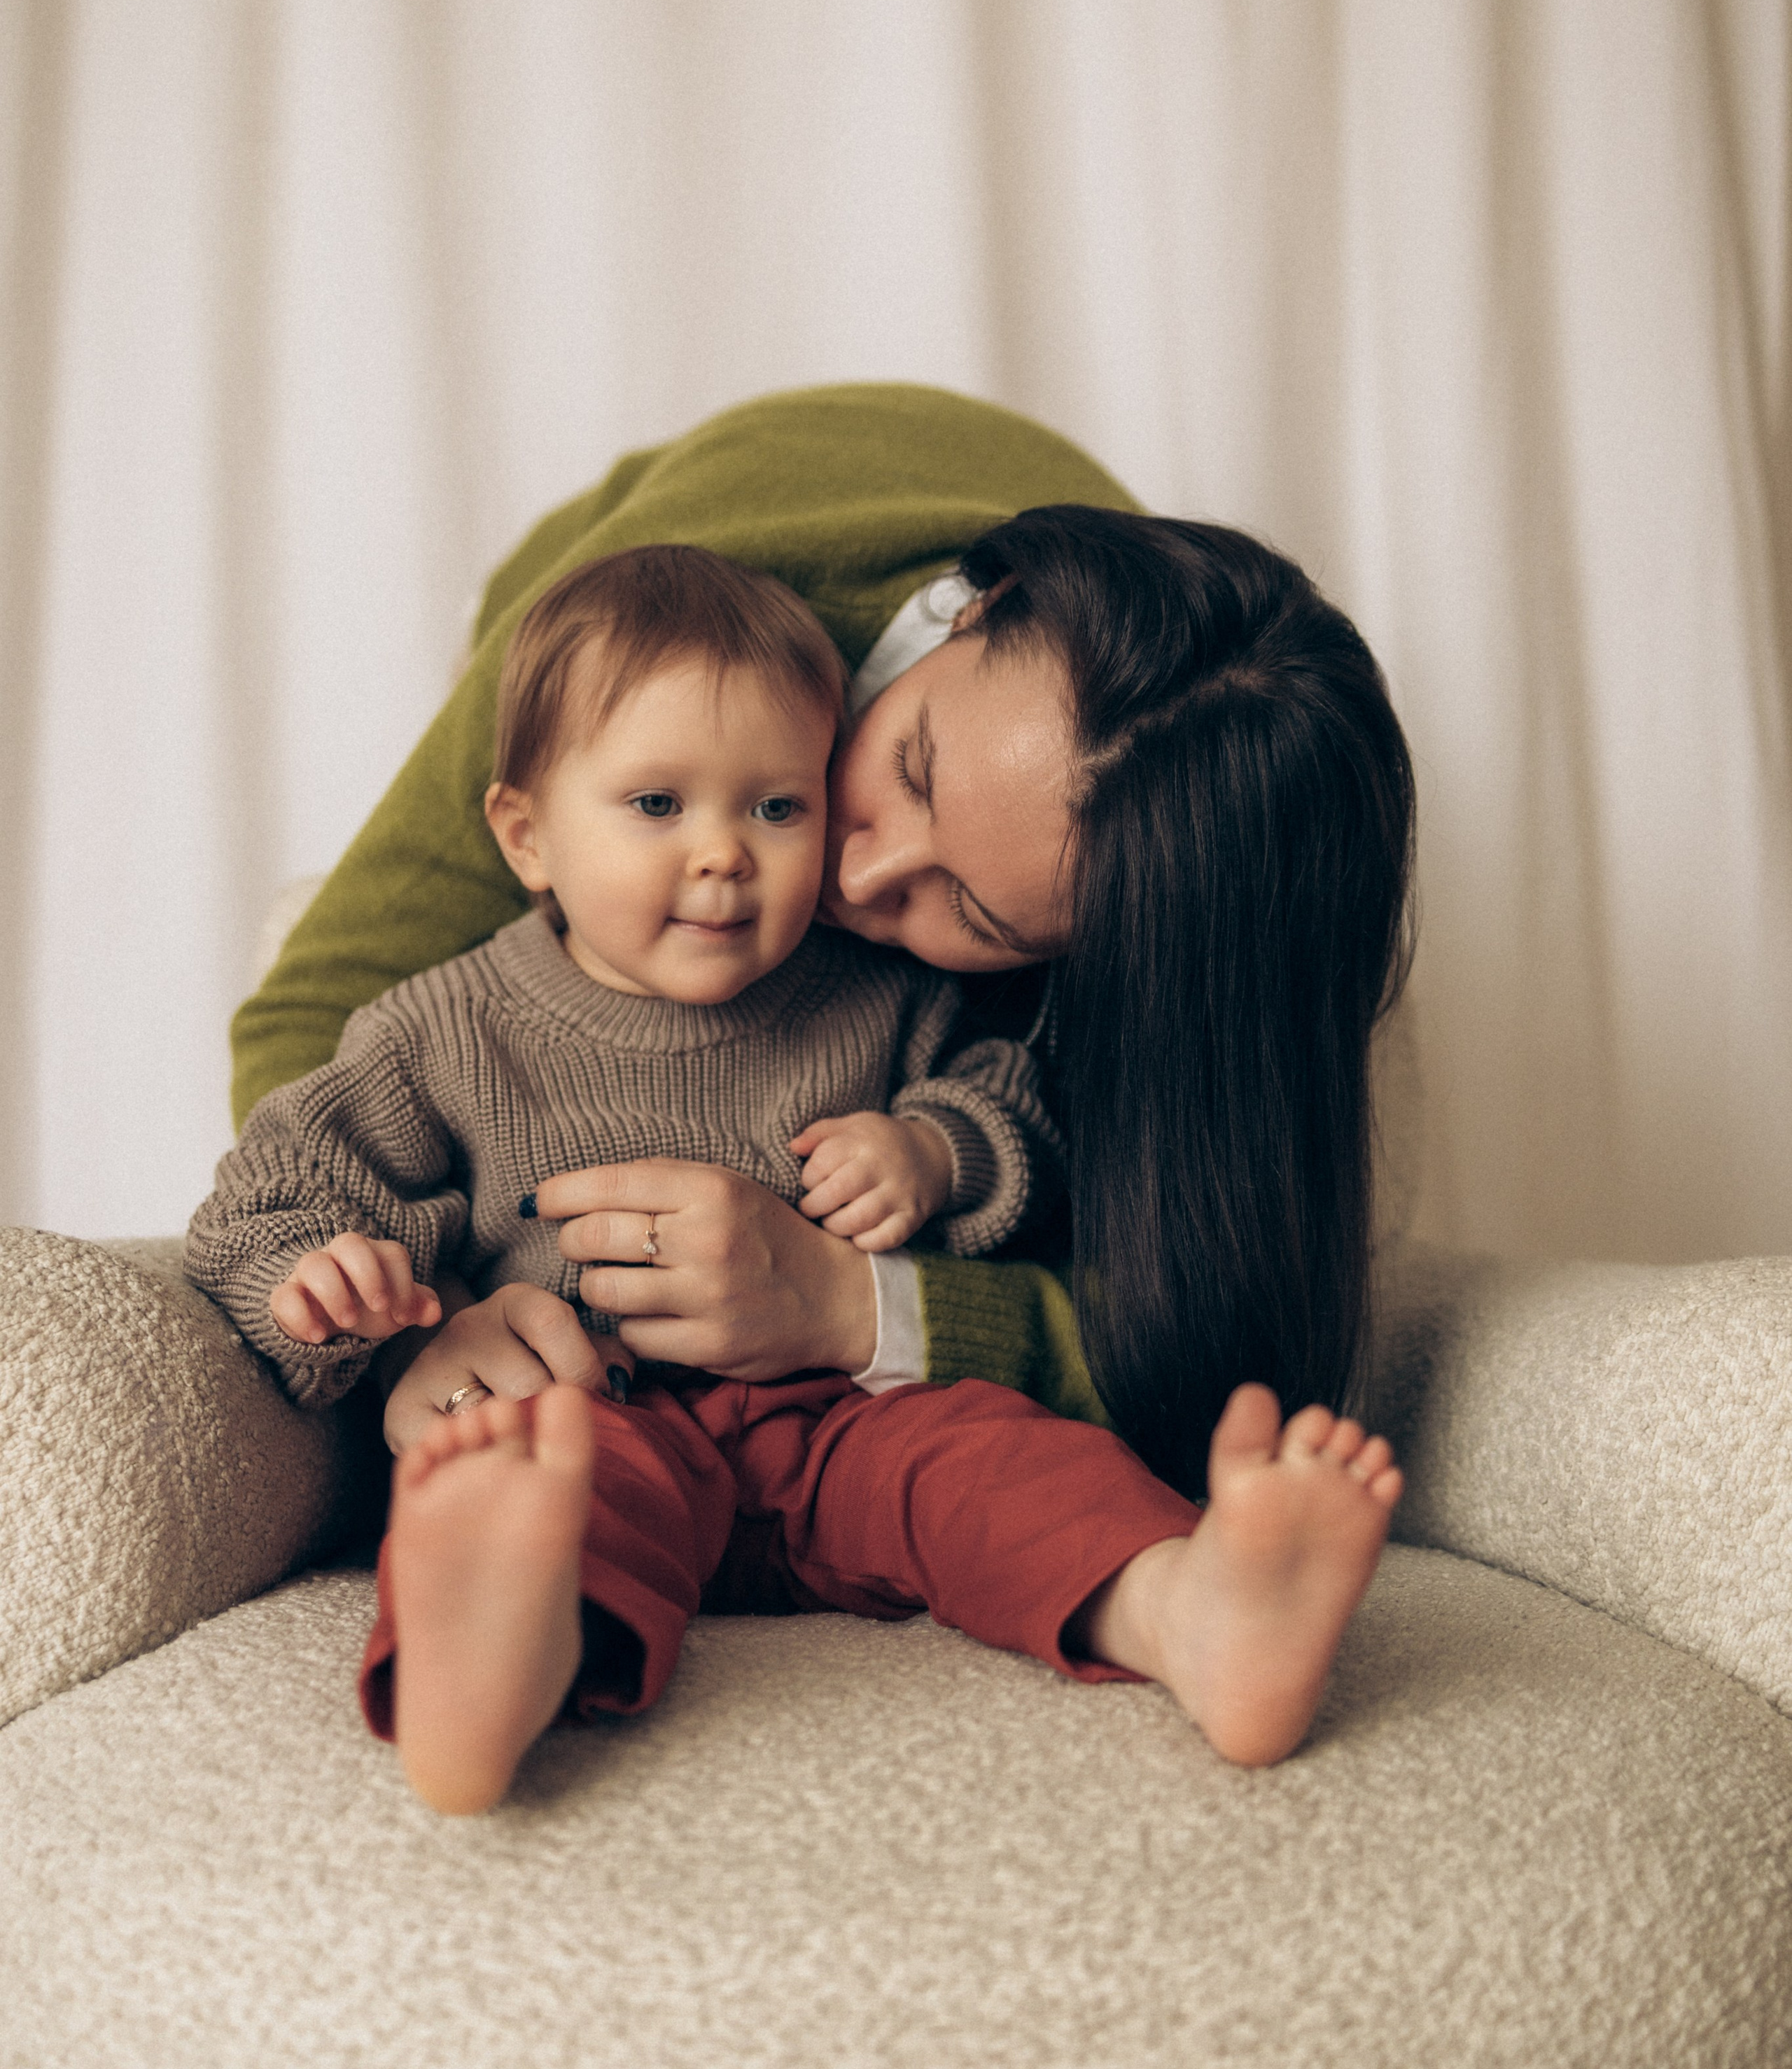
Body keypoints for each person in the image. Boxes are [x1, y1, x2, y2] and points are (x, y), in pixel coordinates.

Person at [190, 544, 1405, 1813]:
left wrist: (937, 1151)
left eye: (778, 808)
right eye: (659, 806)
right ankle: (484, 1669)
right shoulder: (441, 1029)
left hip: (849, 1421)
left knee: (1000, 1465)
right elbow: (277, 1189)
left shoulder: (884, 998)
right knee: (544, 1494)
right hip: (605, 1409)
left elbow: (1025, 1115)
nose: (727, 857)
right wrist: (345, 1295)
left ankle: (1190, 1614)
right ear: (526, 833)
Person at [234, 383, 1416, 1512]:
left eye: (977, 917)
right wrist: (429, 1326)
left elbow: (1211, 1359)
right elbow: (306, 1028)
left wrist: (856, 1304)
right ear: (977, 611)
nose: (851, 879)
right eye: (906, 769)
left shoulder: (1180, 894)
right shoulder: (637, 649)